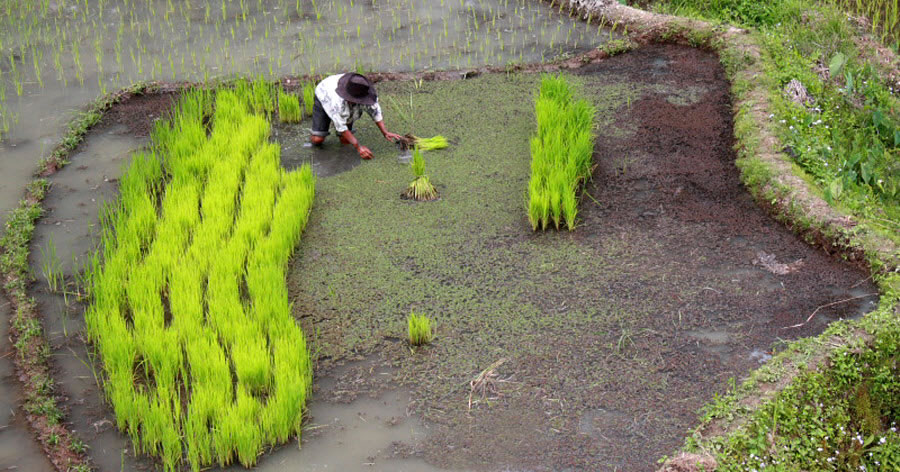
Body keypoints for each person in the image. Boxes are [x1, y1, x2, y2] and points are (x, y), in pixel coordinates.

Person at [309, 73, 401, 160]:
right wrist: (359, 147)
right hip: (324, 93)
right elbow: (342, 127)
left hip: (345, 100)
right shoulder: (336, 102)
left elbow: (375, 112)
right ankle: (315, 138)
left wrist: (385, 132)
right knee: (318, 139)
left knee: (345, 140)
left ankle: (344, 160)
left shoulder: (364, 91)